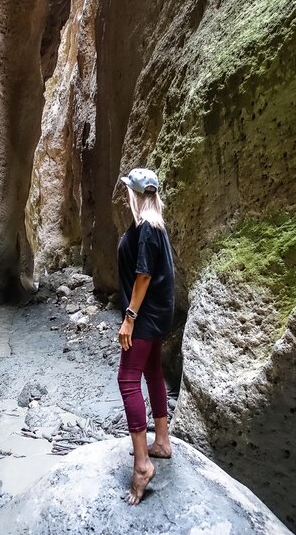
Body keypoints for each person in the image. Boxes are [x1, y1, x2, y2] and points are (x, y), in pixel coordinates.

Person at [117, 167, 175, 505]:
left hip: (146, 316)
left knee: (127, 380)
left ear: (135, 195)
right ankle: (162, 441)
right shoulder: (155, 227)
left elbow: (143, 276)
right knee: (153, 371)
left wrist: (129, 318)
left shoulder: (147, 230)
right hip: (157, 314)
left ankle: (142, 464)